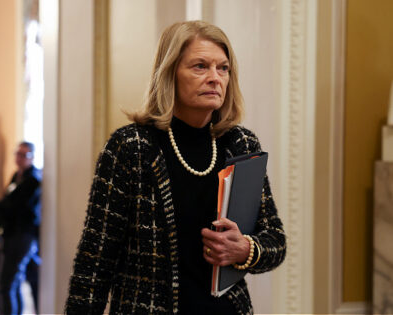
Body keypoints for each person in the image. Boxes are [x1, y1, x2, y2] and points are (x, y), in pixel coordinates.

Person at [65, 20, 286, 315]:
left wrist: (245, 250)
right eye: (200, 66)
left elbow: (275, 241)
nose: (215, 78)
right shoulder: (131, 147)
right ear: (169, 73)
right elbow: (95, 261)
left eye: (223, 68)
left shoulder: (242, 144)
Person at [0, 141, 41, 315]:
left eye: (24, 155)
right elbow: (7, 203)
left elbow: (14, 206)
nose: (19, 158)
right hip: (10, 234)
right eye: (17, 153)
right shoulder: (17, 176)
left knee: (6, 284)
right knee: (7, 283)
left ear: (31, 157)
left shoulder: (32, 180)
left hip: (22, 236)